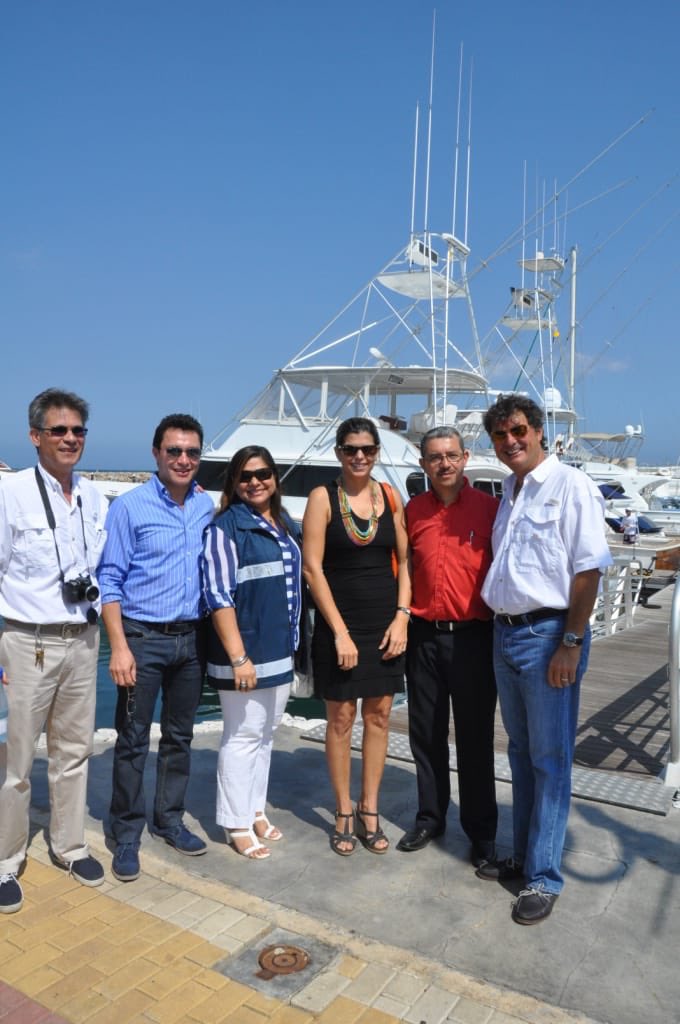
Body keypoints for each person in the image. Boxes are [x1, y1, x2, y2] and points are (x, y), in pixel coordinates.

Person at [478, 394, 612, 925]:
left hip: (549, 635)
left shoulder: (570, 486)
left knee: (550, 761)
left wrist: (571, 643)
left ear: (538, 431)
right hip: (505, 634)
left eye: (518, 432)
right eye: (501, 436)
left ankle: (544, 877)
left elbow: (589, 570)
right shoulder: (510, 491)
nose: (511, 442)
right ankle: (525, 856)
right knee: (520, 753)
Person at [0, 388, 108, 913]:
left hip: (82, 641)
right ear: (35, 436)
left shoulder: (94, 496)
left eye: (78, 431)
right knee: (15, 760)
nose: (70, 438)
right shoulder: (11, 493)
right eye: (59, 430)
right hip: (27, 641)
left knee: (72, 753)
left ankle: (69, 845)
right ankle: (5, 859)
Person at [99, 413, 214, 882]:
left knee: (179, 738)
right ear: (156, 454)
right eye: (174, 451)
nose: (183, 460)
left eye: (191, 452)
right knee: (130, 741)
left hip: (192, 639)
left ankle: (169, 819)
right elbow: (109, 580)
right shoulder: (129, 507)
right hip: (142, 639)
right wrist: (119, 648)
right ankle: (126, 833)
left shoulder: (206, 506)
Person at [302, 417, 409, 855]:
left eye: (366, 449)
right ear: (338, 452)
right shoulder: (322, 498)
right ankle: (344, 809)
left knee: (380, 716)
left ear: (377, 452)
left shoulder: (389, 496)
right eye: (350, 449)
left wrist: (402, 617)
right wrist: (340, 633)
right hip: (339, 628)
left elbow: (407, 560)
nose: (359, 456)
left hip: (385, 625)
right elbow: (313, 569)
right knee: (342, 718)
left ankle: (370, 807)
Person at [397, 427, 499, 868]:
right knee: (426, 733)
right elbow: (402, 566)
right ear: (423, 464)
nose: (444, 464)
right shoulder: (413, 511)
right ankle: (430, 817)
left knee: (475, 739)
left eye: (452, 455)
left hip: (475, 638)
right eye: (435, 457)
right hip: (423, 635)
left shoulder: (492, 509)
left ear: (465, 457)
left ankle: (482, 832)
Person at [201, 446, 303, 860]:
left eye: (262, 474)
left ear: (274, 477)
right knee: (242, 736)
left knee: (265, 735)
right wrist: (239, 657)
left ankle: (254, 808)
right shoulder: (226, 528)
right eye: (244, 477)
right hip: (245, 654)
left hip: (279, 648)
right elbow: (218, 595)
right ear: (233, 483)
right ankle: (235, 822)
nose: (254, 482)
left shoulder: (282, 522)